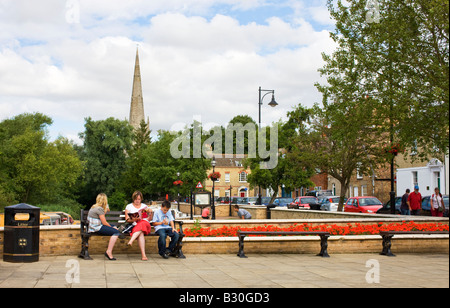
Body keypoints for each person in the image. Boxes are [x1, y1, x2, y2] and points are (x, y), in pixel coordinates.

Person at [88, 193, 120, 261]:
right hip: (96, 227)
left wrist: (112, 227)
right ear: (105, 200)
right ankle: (108, 252)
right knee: (116, 232)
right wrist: (112, 228)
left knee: (114, 226)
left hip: (93, 226)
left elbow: (104, 213)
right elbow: (104, 222)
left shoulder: (94, 207)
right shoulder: (99, 209)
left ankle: (109, 251)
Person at [125, 191, 153, 261]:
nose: (137, 201)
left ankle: (131, 240)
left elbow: (149, 219)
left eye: (139, 199)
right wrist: (134, 219)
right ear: (133, 199)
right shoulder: (129, 206)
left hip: (145, 224)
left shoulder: (144, 206)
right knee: (140, 233)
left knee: (142, 223)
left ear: (141, 199)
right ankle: (143, 255)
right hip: (135, 225)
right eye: (136, 199)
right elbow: (127, 219)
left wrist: (150, 212)